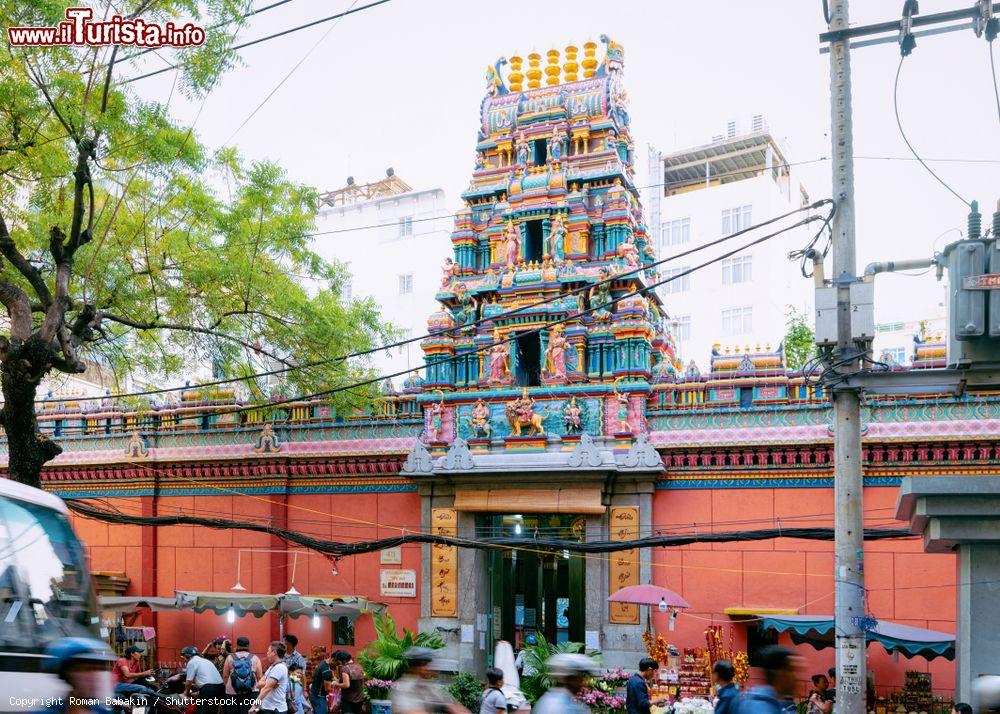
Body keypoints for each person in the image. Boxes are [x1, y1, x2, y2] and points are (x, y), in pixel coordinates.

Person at [39, 637, 116, 713]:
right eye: (86, 669)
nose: (94, 675)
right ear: (67, 673)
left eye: (100, 669)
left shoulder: (102, 711)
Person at [391, 647, 468, 714]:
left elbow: (449, 704)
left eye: (429, 663)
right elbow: (411, 711)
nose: (428, 668)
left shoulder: (427, 686)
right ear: (414, 667)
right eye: (424, 664)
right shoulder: (402, 688)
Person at [740, 646, 800, 714]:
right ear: (779, 673)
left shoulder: (779, 704)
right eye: (791, 669)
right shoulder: (761, 709)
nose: (795, 676)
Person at [533, 653, 597, 714]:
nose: (583, 682)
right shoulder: (552, 705)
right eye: (580, 676)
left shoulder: (568, 702)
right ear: (571, 679)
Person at [223, 636, 263, 713]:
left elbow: (225, 676)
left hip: (232, 692)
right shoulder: (255, 658)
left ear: (237, 645)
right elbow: (260, 677)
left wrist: (229, 686)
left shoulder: (230, 657)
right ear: (248, 646)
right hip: (251, 692)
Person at [182, 644, 226, 713]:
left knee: (202, 711)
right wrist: (199, 692)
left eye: (184, 657)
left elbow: (188, 683)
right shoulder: (206, 661)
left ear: (188, 656)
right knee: (212, 711)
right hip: (220, 687)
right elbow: (208, 680)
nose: (184, 660)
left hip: (209, 689)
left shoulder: (191, 662)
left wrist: (185, 694)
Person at [255, 641, 290, 714]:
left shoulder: (280, 667)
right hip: (268, 708)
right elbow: (258, 684)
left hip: (275, 709)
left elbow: (267, 688)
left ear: (274, 652)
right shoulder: (272, 667)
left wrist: (255, 706)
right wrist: (269, 683)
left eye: (268, 651)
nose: (267, 653)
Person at [332, 650, 366, 714]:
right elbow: (359, 681)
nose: (339, 663)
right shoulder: (359, 667)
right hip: (359, 699)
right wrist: (339, 681)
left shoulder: (345, 668)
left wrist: (337, 684)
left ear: (343, 660)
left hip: (348, 700)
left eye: (339, 661)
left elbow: (346, 684)